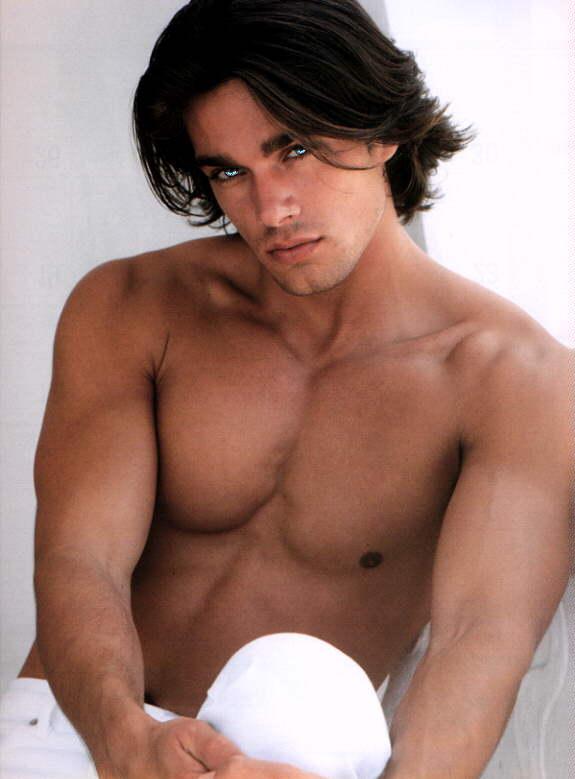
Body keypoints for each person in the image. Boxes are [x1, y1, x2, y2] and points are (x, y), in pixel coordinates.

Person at [1, 0, 571, 777]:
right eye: (229, 172)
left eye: (294, 150)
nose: (271, 210)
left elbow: (477, 648)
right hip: (82, 729)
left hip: (292, 755)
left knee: (301, 677)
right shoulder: (131, 306)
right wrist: (123, 742)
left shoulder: (518, 382)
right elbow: (80, 559)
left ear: (381, 130)